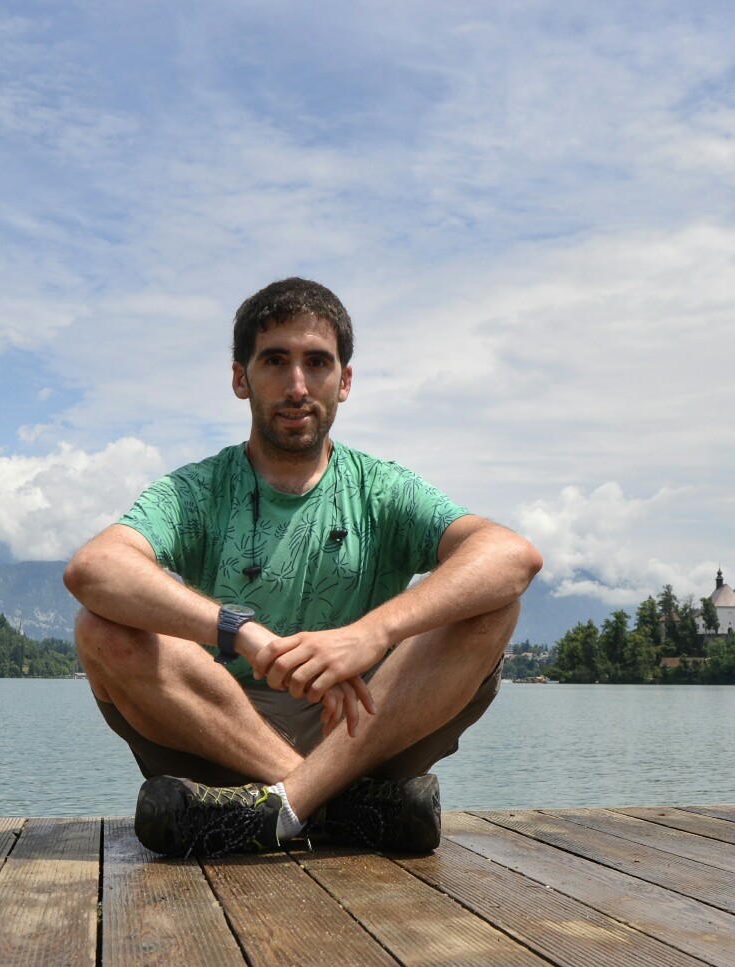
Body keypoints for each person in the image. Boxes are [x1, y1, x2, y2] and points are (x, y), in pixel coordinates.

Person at [64, 277, 542, 857]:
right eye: (275, 361)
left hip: (365, 725)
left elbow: (513, 555)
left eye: (317, 362)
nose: (297, 386)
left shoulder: (382, 489)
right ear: (241, 378)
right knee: (101, 628)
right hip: (220, 731)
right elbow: (95, 568)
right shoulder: (196, 491)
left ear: (344, 381)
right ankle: (339, 808)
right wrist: (245, 635)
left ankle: (281, 809)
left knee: (492, 608)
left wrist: (370, 634)